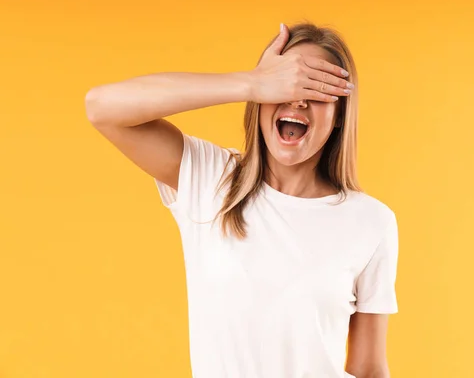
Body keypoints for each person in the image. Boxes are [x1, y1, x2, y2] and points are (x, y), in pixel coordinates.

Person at [85, 22, 399, 378]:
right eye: (286, 83)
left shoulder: (372, 221)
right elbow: (101, 107)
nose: (297, 98)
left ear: (340, 114)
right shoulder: (211, 179)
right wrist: (250, 83)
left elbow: (369, 368)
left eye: (316, 88)